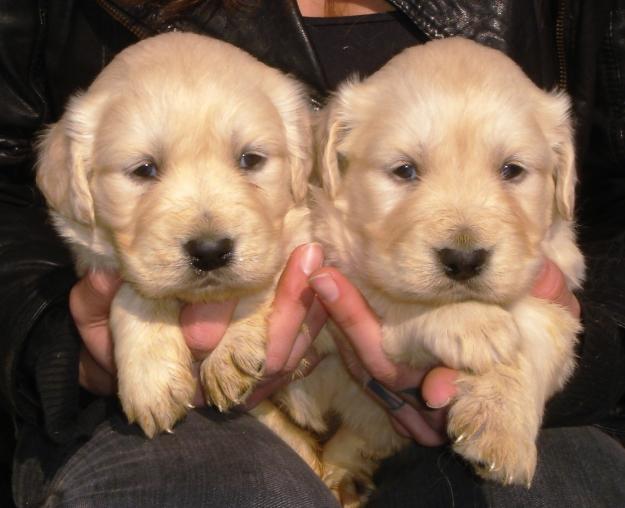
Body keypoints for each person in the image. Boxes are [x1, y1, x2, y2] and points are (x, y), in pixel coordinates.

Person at [1, 0, 624, 506]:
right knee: (216, 487)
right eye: (404, 169)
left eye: (251, 161)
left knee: (561, 486)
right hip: (163, 426)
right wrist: (54, 348)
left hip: (542, 396)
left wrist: (582, 350)